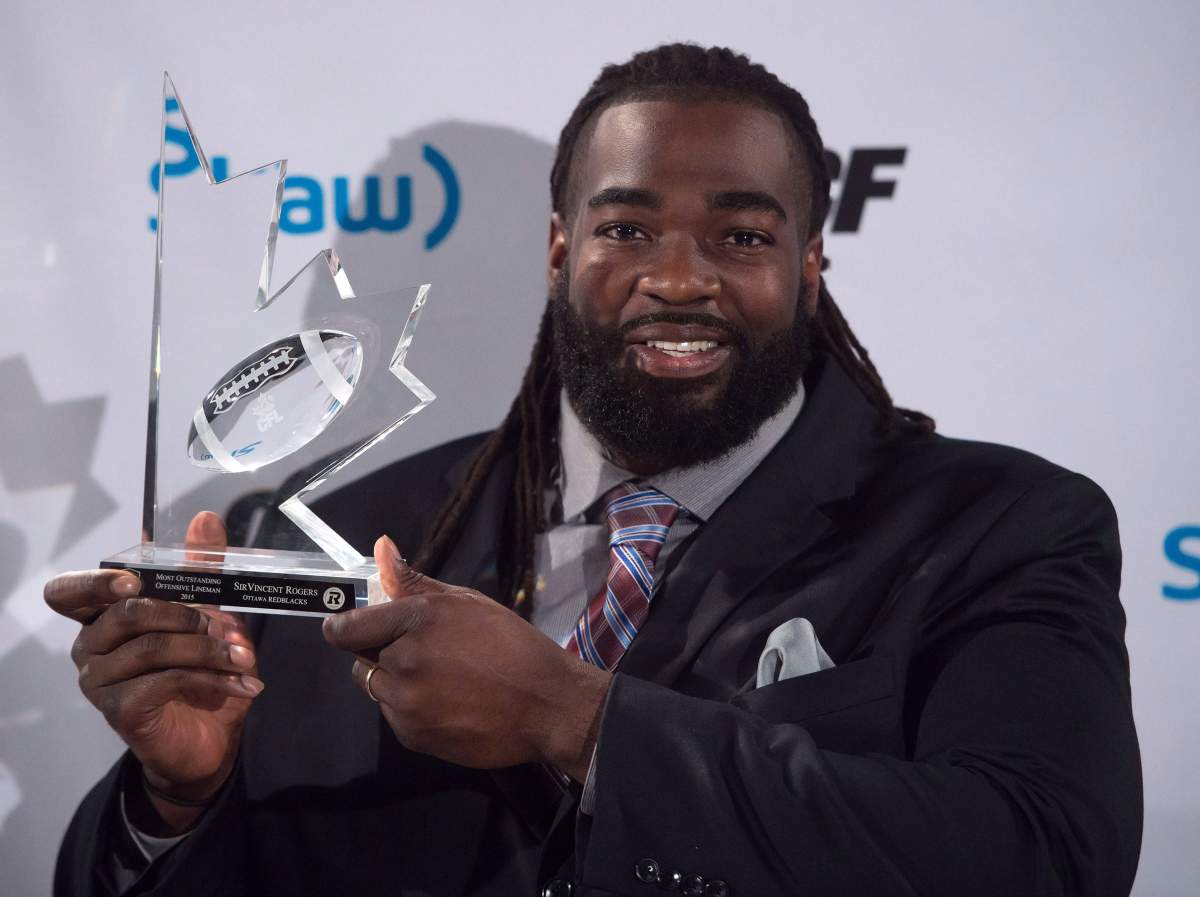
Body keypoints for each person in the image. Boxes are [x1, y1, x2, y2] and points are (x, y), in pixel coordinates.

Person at [45, 43, 1142, 897]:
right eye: (627, 226)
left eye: (743, 238)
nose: (677, 278)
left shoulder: (1000, 524)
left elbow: (1039, 856)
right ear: (561, 249)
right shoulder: (332, 528)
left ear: (813, 265)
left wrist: (578, 720)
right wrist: (178, 800)